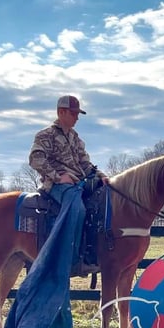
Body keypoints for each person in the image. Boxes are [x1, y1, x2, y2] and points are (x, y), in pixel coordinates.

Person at [29, 95, 109, 275]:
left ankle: (93, 253)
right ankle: (72, 261)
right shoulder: (46, 135)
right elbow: (35, 159)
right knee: (77, 208)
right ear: (61, 112)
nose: (77, 117)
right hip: (56, 185)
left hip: (78, 182)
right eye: (73, 113)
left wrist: (100, 175)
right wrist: (58, 177)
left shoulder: (75, 137)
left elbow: (85, 164)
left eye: (77, 114)